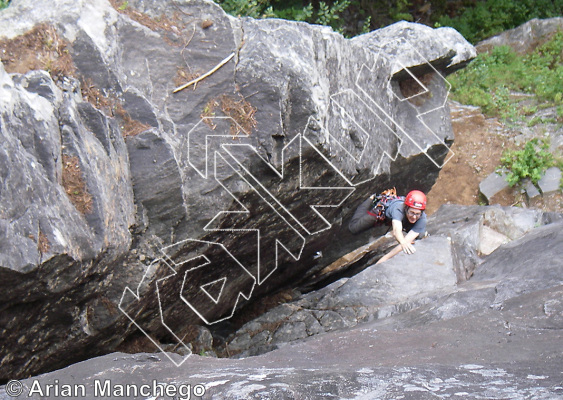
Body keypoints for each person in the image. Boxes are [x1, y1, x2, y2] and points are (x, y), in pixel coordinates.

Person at [348, 190, 427, 264]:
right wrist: (403, 242)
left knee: (420, 235)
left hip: (402, 220)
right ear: (406, 208)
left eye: (417, 214)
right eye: (412, 212)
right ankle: (370, 198)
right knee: (353, 228)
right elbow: (397, 231)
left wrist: (382, 261)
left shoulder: (422, 218)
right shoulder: (398, 209)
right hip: (382, 212)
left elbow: (404, 244)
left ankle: (415, 226)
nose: (414, 216)